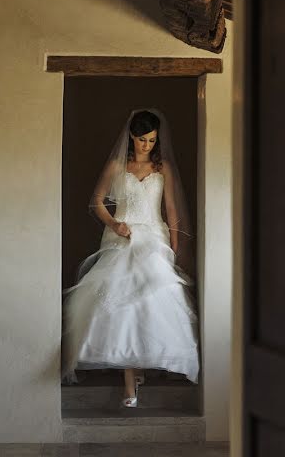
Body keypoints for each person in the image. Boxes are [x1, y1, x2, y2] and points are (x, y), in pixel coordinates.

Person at [62, 109, 199, 407]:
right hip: (121, 237)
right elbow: (97, 202)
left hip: (153, 238)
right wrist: (114, 224)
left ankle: (139, 370)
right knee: (120, 301)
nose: (147, 146)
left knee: (150, 302)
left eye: (152, 140)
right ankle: (129, 382)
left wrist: (174, 247)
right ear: (131, 138)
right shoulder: (117, 166)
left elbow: (171, 209)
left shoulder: (163, 169)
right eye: (142, 140)